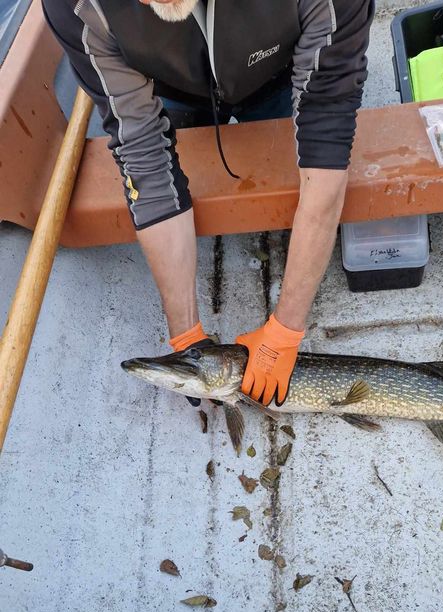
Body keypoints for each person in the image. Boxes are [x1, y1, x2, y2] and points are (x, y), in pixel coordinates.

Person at [43, 0, 374, 406]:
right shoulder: (74, 6)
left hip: (281, 71)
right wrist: (186, 338)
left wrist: (287, 328)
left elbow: (325, 134)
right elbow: (144, 155)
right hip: (172, 85)